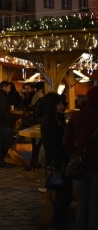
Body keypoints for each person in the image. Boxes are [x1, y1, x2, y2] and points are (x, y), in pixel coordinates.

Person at [63, 85, 98, 230]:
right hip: (96, 166)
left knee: (82, 204)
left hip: (79, 165)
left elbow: (66, 141)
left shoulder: (77, 116)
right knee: (95, 206)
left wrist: (76, 153)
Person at [41, 92, 72, 229]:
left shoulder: (55, 118)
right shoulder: (49, 121)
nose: (62, 106)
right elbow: (51, 143)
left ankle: (58, 218)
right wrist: (59, 159)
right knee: (64, 192)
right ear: (52, 106)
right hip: (57, 160)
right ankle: (57, 220)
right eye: (59, 104)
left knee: (63, 191)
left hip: (59, 159)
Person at [0, 81, 14, 167]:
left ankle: (0, 160)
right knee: (10, 141)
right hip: (3, 122)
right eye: (9, 87)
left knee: (1, 141)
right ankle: (0, 157)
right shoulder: (2, 96)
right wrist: (9, 120)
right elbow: (3, 110)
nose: (9, 89)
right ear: (4, 87)